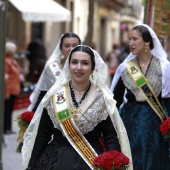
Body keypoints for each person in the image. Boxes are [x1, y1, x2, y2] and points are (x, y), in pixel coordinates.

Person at [22, 45, 132, 170]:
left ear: (92, 68)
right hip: (54, 160)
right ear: (68, 66)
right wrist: (31, 166)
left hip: (90, 160)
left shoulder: (102, 98)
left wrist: (115, 165)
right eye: (74, 62)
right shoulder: (55, 96)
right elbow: (42, 135)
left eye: (85, 63)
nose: (78, 67)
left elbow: (110, 137)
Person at [110, 24, 170, 170]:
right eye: (130, 39)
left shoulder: (164, 66)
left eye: (135, 39)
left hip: (156, 122)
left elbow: (168, 98)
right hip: (130, 121)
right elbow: (115, 100)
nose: (131, 43)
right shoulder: (125, 68)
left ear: (147, 42)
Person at [28, 33, 81, 112]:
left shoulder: (87, 68)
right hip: (57, 113)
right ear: (60, 48)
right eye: (67, 46)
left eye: (75, 45)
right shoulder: (52, 67)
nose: (71, 49)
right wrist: (33, 113)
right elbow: (44, 92)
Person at [4, 41, 24, 134]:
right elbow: (5, 78)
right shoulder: (6, 61)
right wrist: (6, 92)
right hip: (9, 90)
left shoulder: (12, 61)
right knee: (7, 110)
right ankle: (6, 128)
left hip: (14, 90)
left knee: (10, 110)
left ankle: (8, 127)